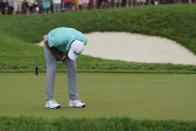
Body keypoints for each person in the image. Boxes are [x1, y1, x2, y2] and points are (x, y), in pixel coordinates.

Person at [43, 27, 87, 109]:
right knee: (52, 69)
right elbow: (47, 43)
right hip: (50, 42)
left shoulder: (83, 40)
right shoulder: (58, 40)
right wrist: (57, 56)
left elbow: (70, 51)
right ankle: (49, 101)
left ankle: (74, 100)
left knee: (72, 69)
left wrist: (65, 55)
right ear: (70, 46)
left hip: (65, 44)